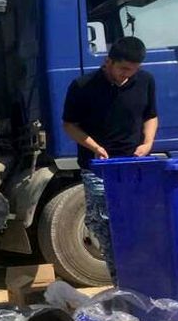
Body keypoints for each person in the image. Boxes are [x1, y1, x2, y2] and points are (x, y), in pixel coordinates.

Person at [62, 36, 159, 282]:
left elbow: (151, 115)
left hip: (133, 165)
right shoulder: (83, 86)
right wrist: (93, 146)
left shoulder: (145, 82)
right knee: (103, 222)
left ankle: (142, 274)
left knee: (138, 220)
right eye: (123, 69)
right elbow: (69, 125)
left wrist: (147, 143)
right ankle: (120, 277)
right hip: (98, 168)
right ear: (108, 62)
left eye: (133, 70)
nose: (127, 75)